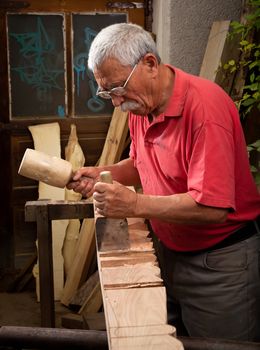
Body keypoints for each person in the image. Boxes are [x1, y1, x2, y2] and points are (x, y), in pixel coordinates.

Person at [67, 23, 260, 341]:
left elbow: (213, 208)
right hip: (171, 252)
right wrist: (102, 172)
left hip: (220, 264)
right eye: (107, 93)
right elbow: (143, 165)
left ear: (150, 64)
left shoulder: (205, 110)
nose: (116, 102)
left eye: (118, 89)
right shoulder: (140, 106)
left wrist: (134, 204)